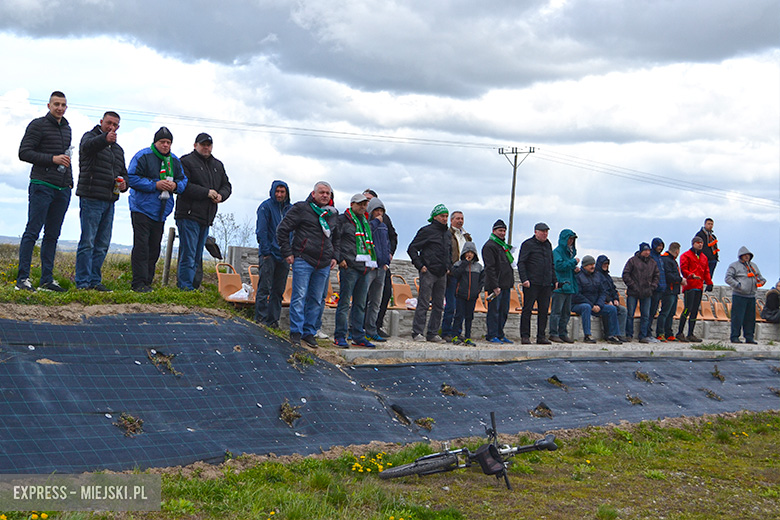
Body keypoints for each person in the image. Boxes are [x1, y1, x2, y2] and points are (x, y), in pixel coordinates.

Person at [16, 91, 73, 292]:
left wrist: (69, 183)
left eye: (63, 105)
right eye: (56, 104)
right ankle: (22, 279)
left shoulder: (67, 128)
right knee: (32, 231)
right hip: (42, 184)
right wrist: (52, 159)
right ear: (49, 105)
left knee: (52, 235)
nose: (60, 108)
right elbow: (23, 152)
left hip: (62, 188)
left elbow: (67, 158)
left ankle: (46, 280)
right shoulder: (37, 125)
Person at [276, 181, 337, 348]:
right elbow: (282, 230)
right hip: (304, 259)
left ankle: (309, 332)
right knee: (299, 297)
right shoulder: (301, 208)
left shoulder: (332, 214)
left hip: (324, 262)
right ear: (313, 194)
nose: (325, 195)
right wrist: (287, 252)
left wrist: (334, 256)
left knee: (317, 299)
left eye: (328, 193)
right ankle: (296, 331)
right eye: (322, 192)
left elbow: (336, 237)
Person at [127, 127, 187, 292]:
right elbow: (131, 178)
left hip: (161, 211)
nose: (165, 145)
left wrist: (175, 185)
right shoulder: (142, 156)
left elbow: (183, 180)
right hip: (141, 208)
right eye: (162, 142)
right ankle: (138, 283)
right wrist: (155, 185)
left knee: (154, 248)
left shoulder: (174, 160)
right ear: (155, 142)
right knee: (141, 247)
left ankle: (148, 282)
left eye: (168, 142)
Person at [74, 110, 128, 292]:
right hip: (91, 197)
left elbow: (124, 174)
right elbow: (88, 148)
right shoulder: (90, 137)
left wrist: (124, 185)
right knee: (88, 241)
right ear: (101, 122)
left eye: (115, 125)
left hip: (110, 199)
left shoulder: (118, 150)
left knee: (102, 243)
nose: (111, 127)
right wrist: (105, 139)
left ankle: (94, 280)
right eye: (108, 123)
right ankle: (82, 282)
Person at [175, 133, 232, 291]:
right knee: (189, 253)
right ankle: (185, 286)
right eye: (203, 144)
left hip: (206, 217)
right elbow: (183, 186)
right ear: (195, 145)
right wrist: (206, 192)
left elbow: (227, 186)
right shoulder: (185, 161)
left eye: (209, 144)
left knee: (197, 253)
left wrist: (221, 196)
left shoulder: (217, 165)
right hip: (188, 214)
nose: (206, 147)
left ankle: (192, 285)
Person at [332, 193, 377, 348]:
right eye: (359, 204)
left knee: (360, 304)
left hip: (364, 268)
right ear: (352, 204)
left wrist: (371, 261)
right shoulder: (343, 220)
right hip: (349, 266)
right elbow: (336, 240)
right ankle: (339, 335)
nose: (362, 207)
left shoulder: (366, 222)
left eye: (365, 204)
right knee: (344, 303)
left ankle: (358, 335)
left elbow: (369, 243)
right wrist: (340, 258)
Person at [407, 204, 452, 342]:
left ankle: (432, 333)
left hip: (442, 273)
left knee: (439, 305)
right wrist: (420, 265)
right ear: (435, 217)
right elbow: (412, 249)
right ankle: (417, 332)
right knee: (424, 302)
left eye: (446, 216)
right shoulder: (426, 231)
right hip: (429, 271)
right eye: (442, 216)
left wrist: (448, 266)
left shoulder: (448, 233)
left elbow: (449, 252)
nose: (445, 219)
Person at [254, 180, 291, 328]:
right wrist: (266, 251)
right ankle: (261, 320)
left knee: (278, 290)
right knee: (264, 288)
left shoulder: (290, 209)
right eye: (277, 191)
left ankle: (273, 321)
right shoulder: (265, 207)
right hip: (269, 254)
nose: (280, 194)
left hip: (284, 255)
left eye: (282, 192)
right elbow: (261, 230)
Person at [363, 189, 398, 338]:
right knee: (363, 297)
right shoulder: (362, 219)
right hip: (367, 265)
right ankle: (357, 327)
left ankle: (375, 326)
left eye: (370, 200)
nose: (367, 202)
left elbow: (391, 237)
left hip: (382, 265)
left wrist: (389, 255)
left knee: (383, 296)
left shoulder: (386, 220)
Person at [517, 222, 557, 345]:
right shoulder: (527, 244)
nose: (545, 234)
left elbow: (551, 264)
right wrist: (524, 279)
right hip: (531, 283)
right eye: (542, 231)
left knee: (544, 311)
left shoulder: (548, 245)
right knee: (527, 310)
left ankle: (541, 336)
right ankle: (525, 336)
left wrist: (554, 280)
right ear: (536, 232)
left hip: (545, 284)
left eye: (546, 232)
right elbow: (521, 263)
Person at [571, 256, 622, 344]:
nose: (593, 266)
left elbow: (603, 292)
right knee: (586, 307)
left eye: (593, 264)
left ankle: (613, 335)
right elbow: (577, 295)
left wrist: (599, 305)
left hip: (596, 305)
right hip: (579, 305)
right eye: (590, 264)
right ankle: (587, 335)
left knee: (612, 309)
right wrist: (592, 305)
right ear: (584, 266)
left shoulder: (598, 276)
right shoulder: (578, 277)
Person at [481, 219, 515, 344]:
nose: (502, 233)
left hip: (506, 284)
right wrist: (495, 286)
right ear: (494, 231)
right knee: (494, 311)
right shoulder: (489, 246)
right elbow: (490, 268)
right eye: (500, 230)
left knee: (503, 311)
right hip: (495, 286)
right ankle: (492, 334)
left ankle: (500, 334)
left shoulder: (503, 247)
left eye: (504, 231)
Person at [441, 211, 472, 341]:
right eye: (458, 218)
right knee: (451, 305)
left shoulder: (466, 236)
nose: (460, 221)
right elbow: (446, 252)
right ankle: (446, 331)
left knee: (461, 306)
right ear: (452, 220)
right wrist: (449, 268)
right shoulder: (448, 234)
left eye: (462, 218)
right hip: (453, 272)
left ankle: (457, 332)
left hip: (464, 272)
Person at [724, 246, 766, 344]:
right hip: (739, 295)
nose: (746, 257)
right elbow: (728, 278)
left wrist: (763, 281)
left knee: (750, 319)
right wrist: (738, 285)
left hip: (751, 296)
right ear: (740, 256)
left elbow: (759, 277)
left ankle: (749, 337)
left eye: (748, 255)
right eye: (744, 255)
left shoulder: (754, 266)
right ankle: (735, 337)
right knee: (737, 317)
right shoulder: (734, 266)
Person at [677, 236, 714, 342]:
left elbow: (706, 271)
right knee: (687, 309)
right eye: (698, 242)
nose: (700, 244)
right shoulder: (685, 255)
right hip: (690, 286)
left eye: (701, 243)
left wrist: (709, 283)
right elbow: (684, 269)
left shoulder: (704, 257)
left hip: (699, 287)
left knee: (694, 311)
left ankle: (690, 334)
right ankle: (680, 332)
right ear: (693, 243)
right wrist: (692, 275)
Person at [622, 242, 660, 343]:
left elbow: (657, 276)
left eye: (649, 250)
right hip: (633, 292)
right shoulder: (632, 261)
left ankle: (643, 336)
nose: (647, 252)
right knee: (630, 314)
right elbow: (625, 274)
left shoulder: (653, 263)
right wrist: (633, 286)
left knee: (646, 315)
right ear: (641, 251)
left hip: (647, 293)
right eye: (645, 250)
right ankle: (629, 334)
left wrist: (652, 287)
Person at [450, 241, 484, 345]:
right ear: (464, 253)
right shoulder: (458, 264)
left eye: (471, 252)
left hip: (473, 296)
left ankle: (467, 337)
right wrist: (464, 263)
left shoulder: (479, 267)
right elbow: (455, 274)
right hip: (461, 294)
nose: (469, 254)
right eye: (467, 252)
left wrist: (477, 291)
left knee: (469, 317)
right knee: (459, 315)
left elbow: (482, 280)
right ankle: (455, 335)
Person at [549, 229, 579, 343]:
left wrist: (574, 269)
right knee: (556, 312)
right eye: (569, 239)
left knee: (566, 313)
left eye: (572, 239)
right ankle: (553, 333)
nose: (571, 241)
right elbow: (559, 266)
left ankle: (563, 333)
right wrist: (573, 263)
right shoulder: (557, 252)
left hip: (569, 287)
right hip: (560, 287)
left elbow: (567, 267)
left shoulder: (570, 253)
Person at [655, 242, 685, 341]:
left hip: (674, 291)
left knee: (671, 313)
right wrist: (680, 280)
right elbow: (669, 276)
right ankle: (660, 333)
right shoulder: (667, 260)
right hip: (669, 290)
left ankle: (669, 333)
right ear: (677, 251)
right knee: (665, 312)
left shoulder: (672, 260)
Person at [595, 255, 629, 341]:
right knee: (610, 309)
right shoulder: (596, 276)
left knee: (623, 310)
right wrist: (608, 300)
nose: (606, 266)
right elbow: (601, 291)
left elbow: (613, 289)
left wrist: (616, 299)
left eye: (607, 264)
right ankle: (609, 334)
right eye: (604, 264)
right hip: (601, 301)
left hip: (611, 300)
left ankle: (620, 334)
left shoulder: (608, 276)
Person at [649, 237, 666, 329]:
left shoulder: (660, 257)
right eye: (659, 246)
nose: (660, 248)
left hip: (661, 287)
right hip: (654, 288)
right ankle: (646, 331)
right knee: (650, 311)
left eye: (661, 246)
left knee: (654, 310)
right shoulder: (651, 257)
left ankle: (649, 329)